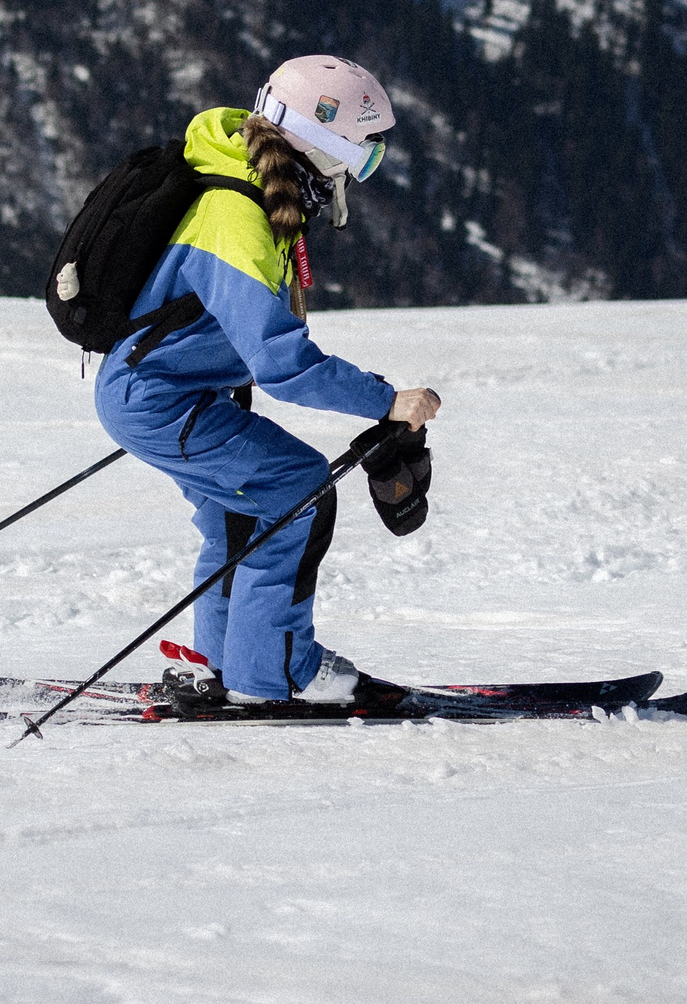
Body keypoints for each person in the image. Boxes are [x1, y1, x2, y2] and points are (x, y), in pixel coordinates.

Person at [93, 55, 441, 706]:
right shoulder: (237, 216)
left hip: (160, 391)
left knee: (242, 512)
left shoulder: (249, 191)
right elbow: (282, 362)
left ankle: (221, 663)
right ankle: (276, 671)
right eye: (361, 156)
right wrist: (386, 399)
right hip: (160, 398)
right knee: (298, 488)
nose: (357, 174)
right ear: (321, 143)